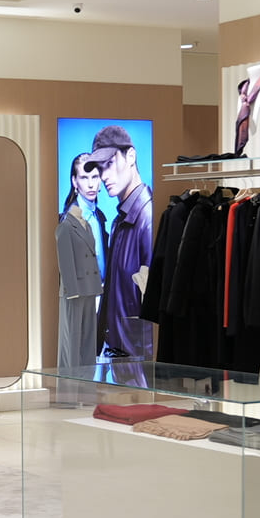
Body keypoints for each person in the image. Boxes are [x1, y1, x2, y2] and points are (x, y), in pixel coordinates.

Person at [92, 125, 153, 369]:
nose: (104, 175)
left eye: (109, 163)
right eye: (99, 168)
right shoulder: (120, 221)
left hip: (137, 360)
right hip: (119, 354)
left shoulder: (146, 219)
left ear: (131, 156)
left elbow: (151, 302)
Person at [56, 153, 105, 397]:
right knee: (71, 343)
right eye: (85, 178)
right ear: (74, 181)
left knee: (88, 344)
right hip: (75, 292)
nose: (91, 184)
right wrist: (72, 290)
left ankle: (86, 391)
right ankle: (68, 394)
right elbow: (65, 262)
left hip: (91, 289)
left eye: (95, 177)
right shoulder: (67, 223)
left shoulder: (95, 220)